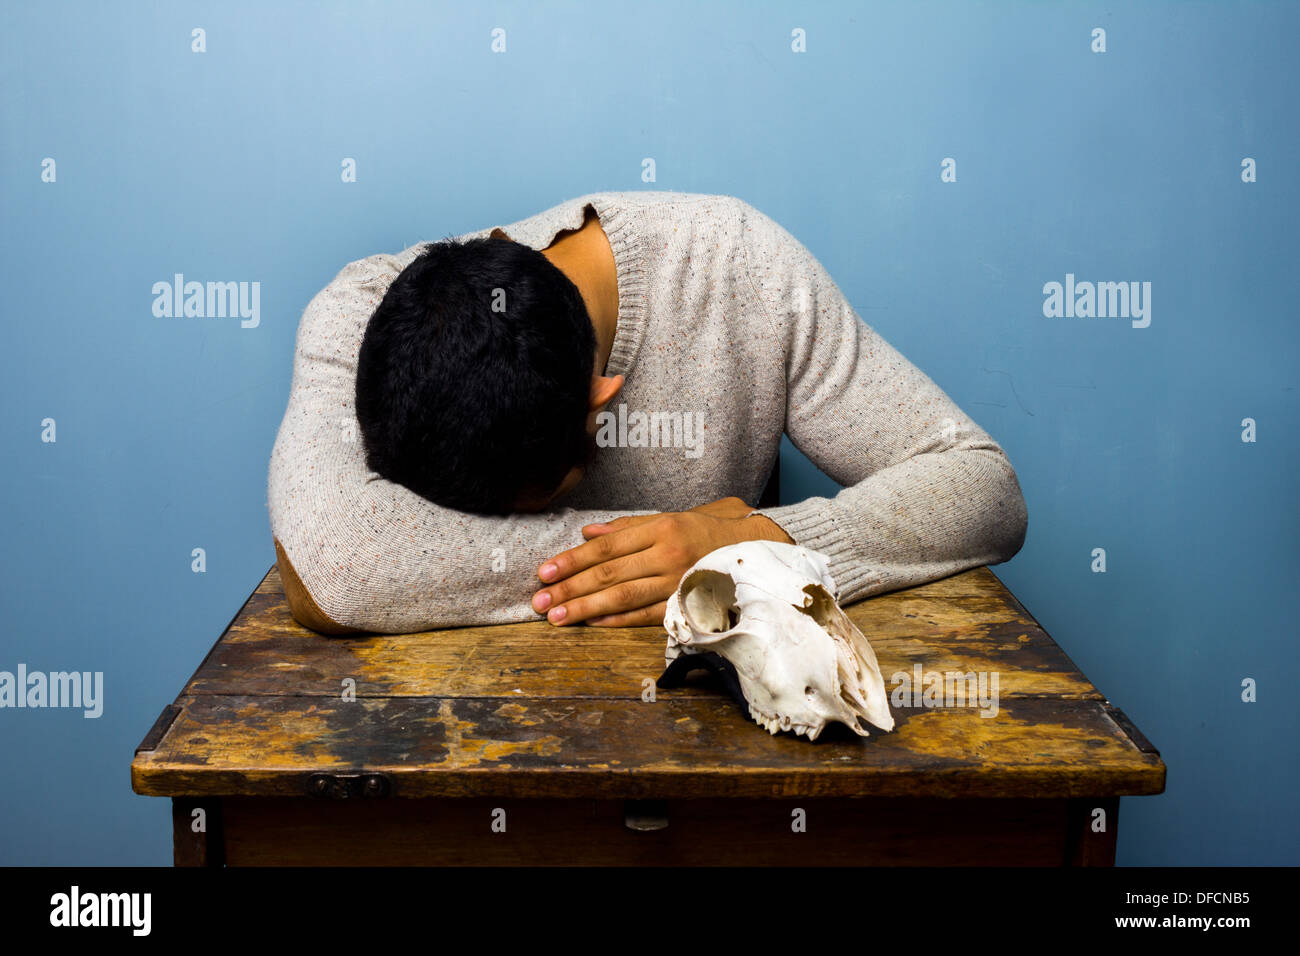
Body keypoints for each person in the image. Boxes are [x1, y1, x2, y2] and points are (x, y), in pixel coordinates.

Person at [268, 191, 1027, 634]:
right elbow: (332, 567)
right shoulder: (362, 312)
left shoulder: (743, 271)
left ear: (602, 405)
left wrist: (759, 543)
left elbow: (983, 488)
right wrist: (690, 559)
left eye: (528, 506)